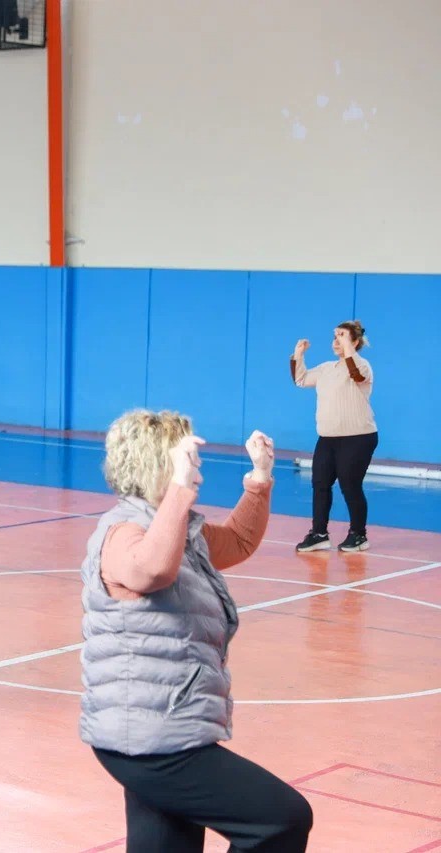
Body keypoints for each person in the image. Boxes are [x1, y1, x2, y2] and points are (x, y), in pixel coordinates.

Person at [79, 409, 312, 851]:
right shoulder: (122, 531)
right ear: (157, 464)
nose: (199, 469)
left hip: (157, 731)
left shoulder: (177, 529)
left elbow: (237, 541)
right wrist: (181, 487)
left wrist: (259, 477)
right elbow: (151, 571)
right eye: (188, 458)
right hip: (151, 739)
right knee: (280, 819)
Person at [291, 320, 378, 553]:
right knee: (320, 484)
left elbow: (356, 375)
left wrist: (348, 346)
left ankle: (359, 535)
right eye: (335, 337)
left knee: (350, 485)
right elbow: (300, 380)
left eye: (342, 336)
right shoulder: (327, 368)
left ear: (355, 342)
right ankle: (319, 534)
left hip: (358, 437)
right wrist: (298, 354)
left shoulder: (362, 365)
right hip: (328, 438)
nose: (336, 341)